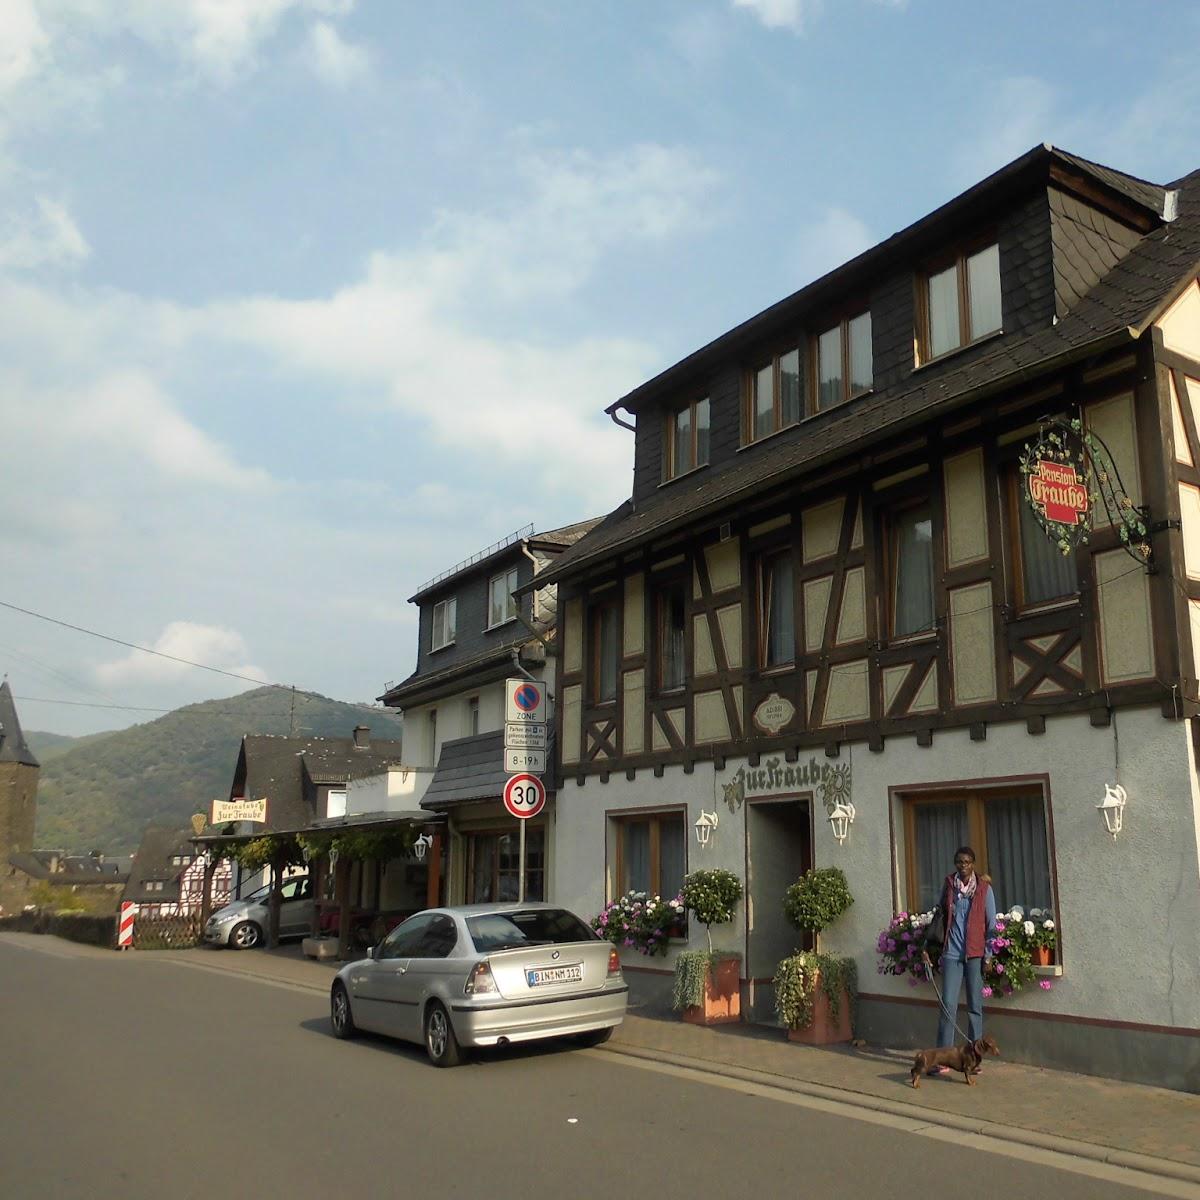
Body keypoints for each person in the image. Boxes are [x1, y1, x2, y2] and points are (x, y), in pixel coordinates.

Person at [922, 845, 996, 1074]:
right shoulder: (949, 886)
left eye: (966, 862)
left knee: (975, 1007)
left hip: (974, 955)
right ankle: (941, 1059)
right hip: (952, 954)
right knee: (948, 1006)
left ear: (973, 863)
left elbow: (991, 925)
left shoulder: (984, 888)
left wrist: (988, 954)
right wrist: (927, 947)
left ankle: (974, 1060)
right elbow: (939, 916)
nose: (962, 866)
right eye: (959, 862)